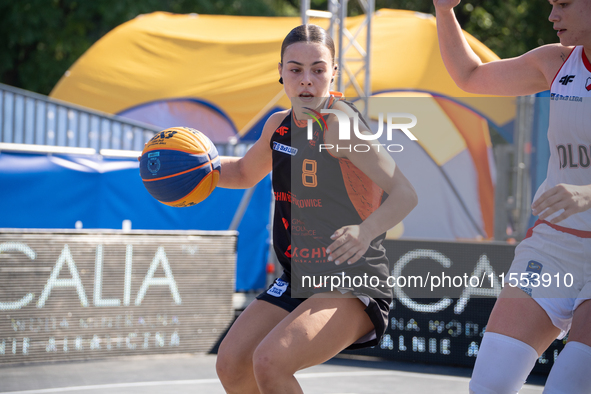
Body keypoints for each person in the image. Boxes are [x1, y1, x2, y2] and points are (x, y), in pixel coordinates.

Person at [215, 24, 417, 394]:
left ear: (334, 72)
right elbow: (243, 172)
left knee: (270, 362)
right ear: (280, 72)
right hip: (298, 277)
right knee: (231, 364)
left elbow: (405, 193)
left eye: (318, 69)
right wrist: (197, 173)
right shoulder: (278, 126)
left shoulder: (340, 127)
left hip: (351, 280)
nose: (306, 80)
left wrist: (365, 230)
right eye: (295, 69)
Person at [433, 0, 591, 392]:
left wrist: (588, 193)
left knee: (566, 387)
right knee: (488, 387)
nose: (552, 15)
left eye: (564, 4)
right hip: (554, 244)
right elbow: (469, 76)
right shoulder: (555, 62)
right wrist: (443, 10)